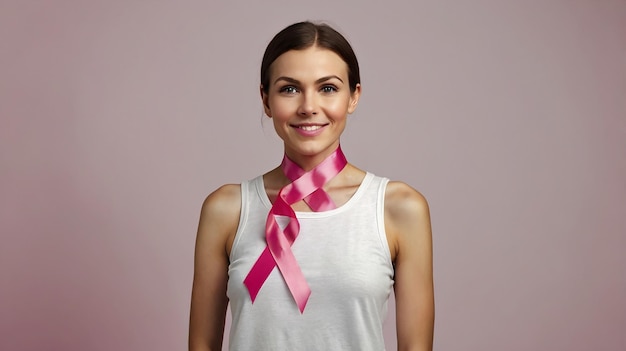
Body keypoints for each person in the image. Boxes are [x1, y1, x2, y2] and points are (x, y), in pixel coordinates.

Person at [189, 21, 434, 351]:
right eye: (289, 89)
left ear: (354, 96)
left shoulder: (399, 208)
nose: (308, 106)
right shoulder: (227, 209)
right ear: (265, 100)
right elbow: (201, 345)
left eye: (328, 88)